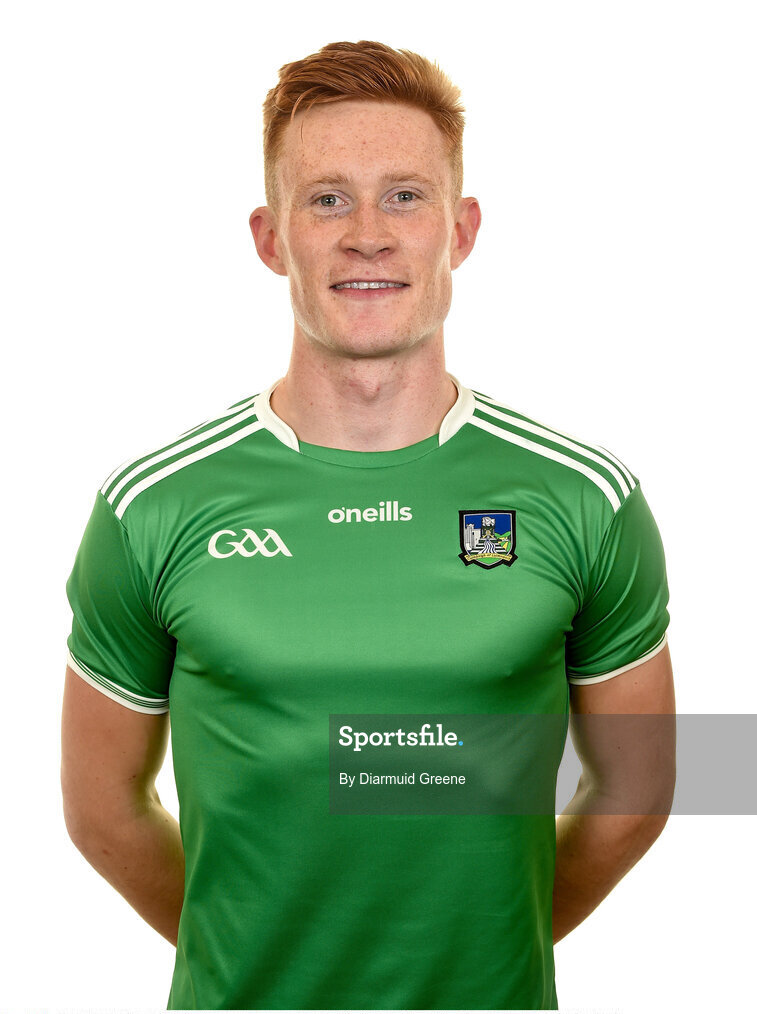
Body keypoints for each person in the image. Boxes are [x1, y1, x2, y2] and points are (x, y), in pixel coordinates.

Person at [61, 40, 676, 1011]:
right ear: (270, 238)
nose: (367, 235)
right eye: (327, 198)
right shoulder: (154, 506)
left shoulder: (582, 498)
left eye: (403, 196)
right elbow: (103, 811)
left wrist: (489, 945)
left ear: (460, 229)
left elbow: (638, 789)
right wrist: (262, 953)